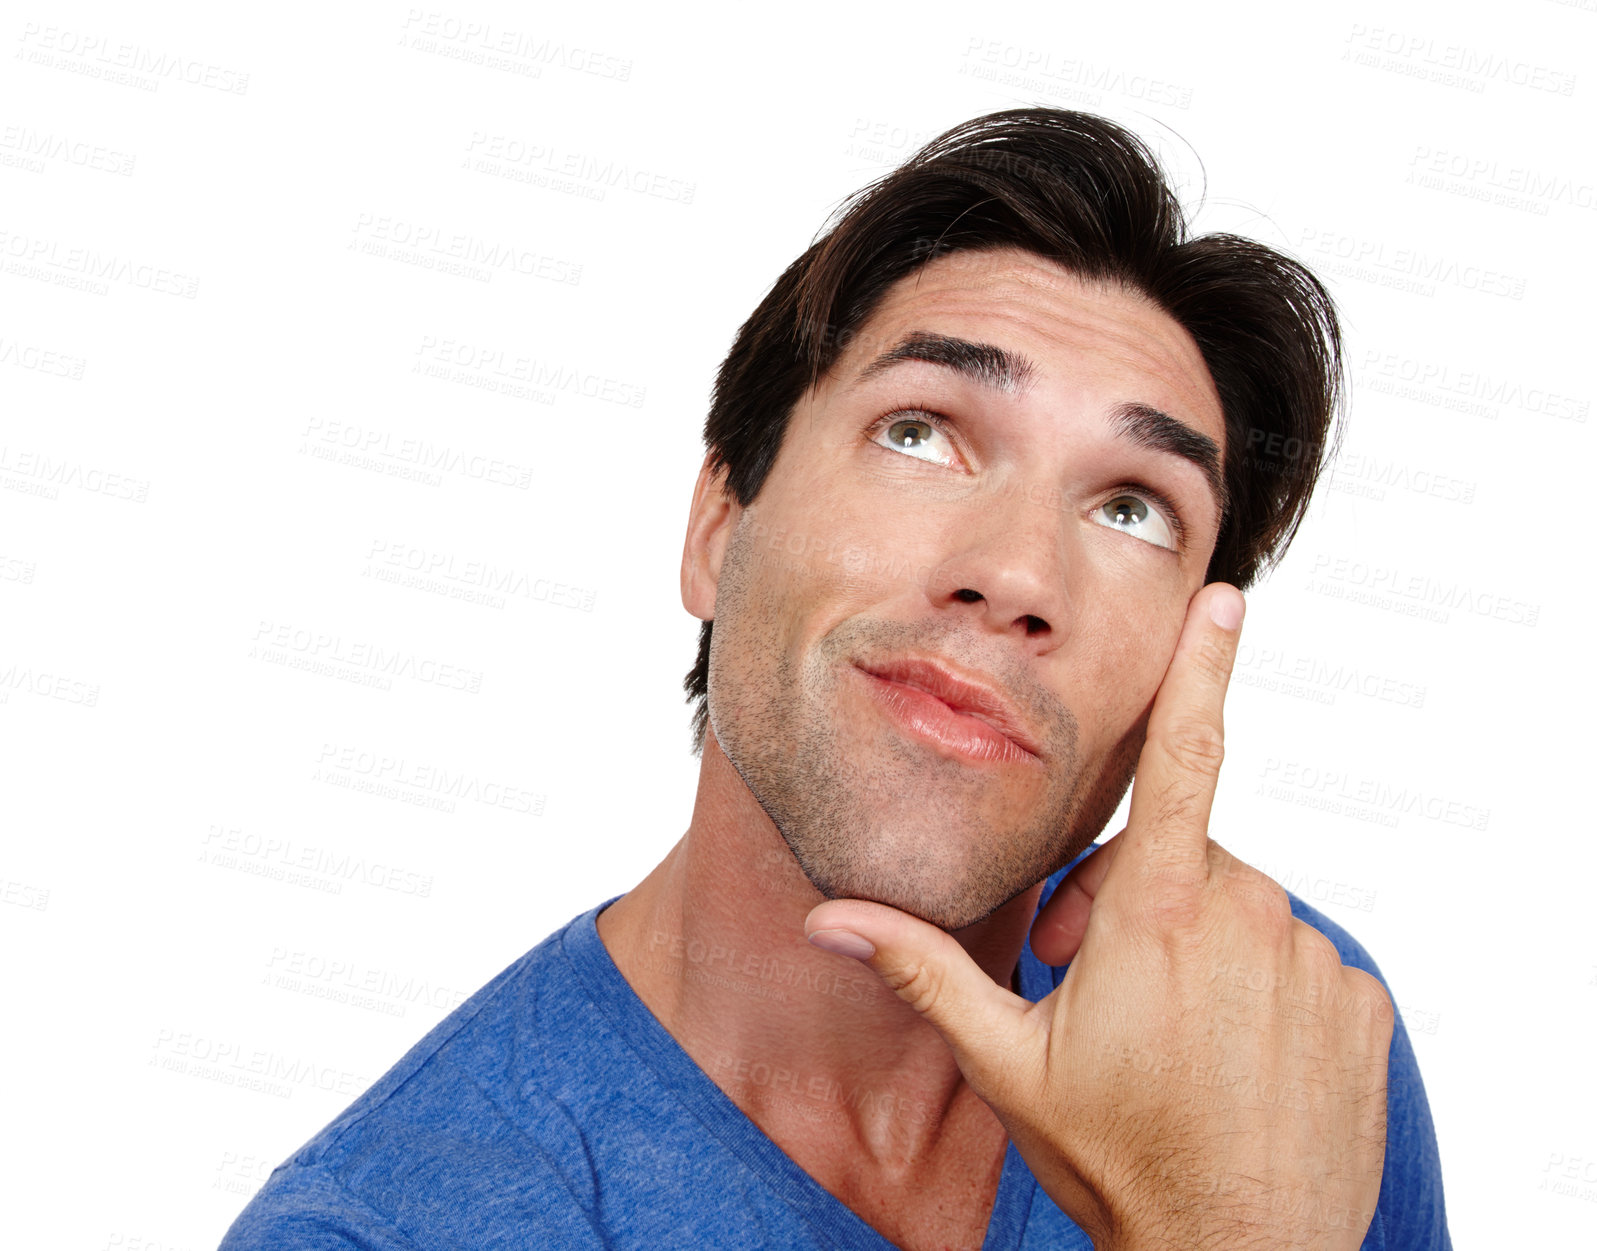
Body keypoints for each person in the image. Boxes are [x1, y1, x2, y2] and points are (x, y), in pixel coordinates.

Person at [220, 108, 1450, 1250]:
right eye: (919, 432)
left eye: (1132, 509)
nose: (1017, 572)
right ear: (717, 528)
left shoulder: (1278, 1025)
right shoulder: (387, 1229)